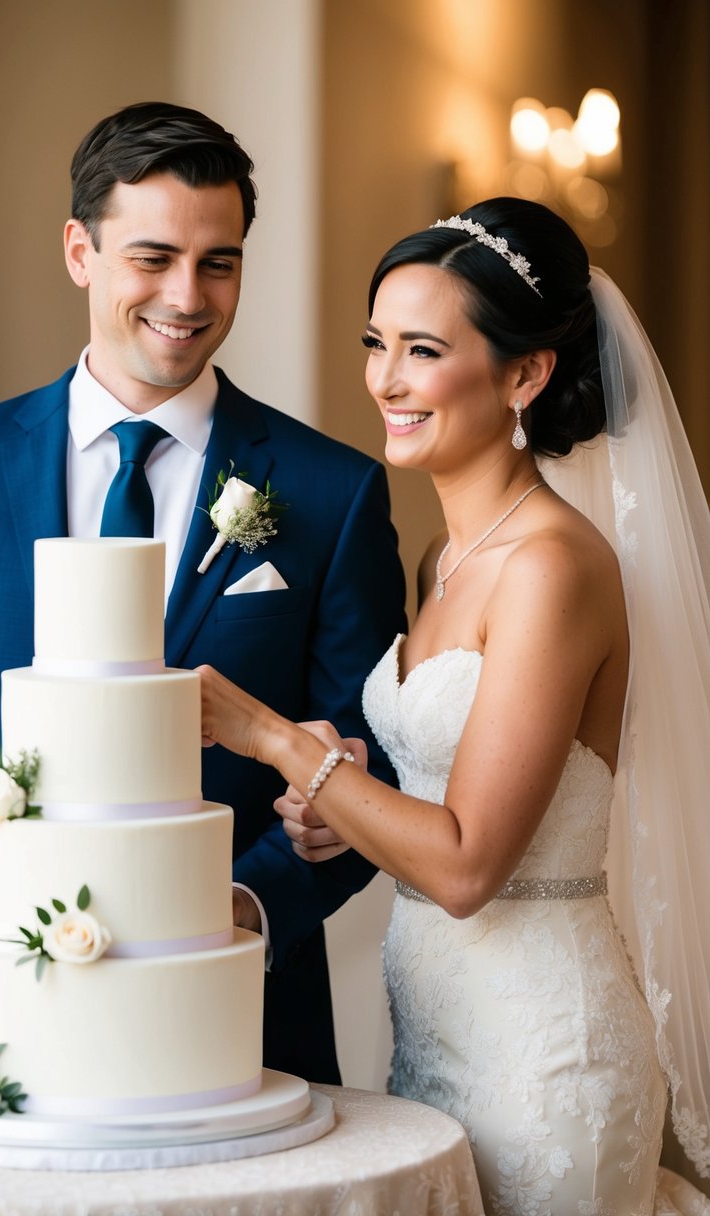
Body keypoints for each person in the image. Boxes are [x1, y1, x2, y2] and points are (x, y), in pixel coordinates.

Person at [198, 197, 710, 1212]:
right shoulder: (447, 557)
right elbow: (436, 792)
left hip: (544, 1056)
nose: (385, 378)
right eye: (375, 342)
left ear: (525, 374)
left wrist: (274, 741)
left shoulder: (551, 567)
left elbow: (469, 862)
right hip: (435, 1034)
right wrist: (333, 805)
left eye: (422, 350)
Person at [0, 101, 406, 1082]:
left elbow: (369, 772)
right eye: (152, 257)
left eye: (220, 261)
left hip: (240, 1023)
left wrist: (241, 914)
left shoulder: (331, 494)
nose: (187, 293)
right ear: (80, 249)